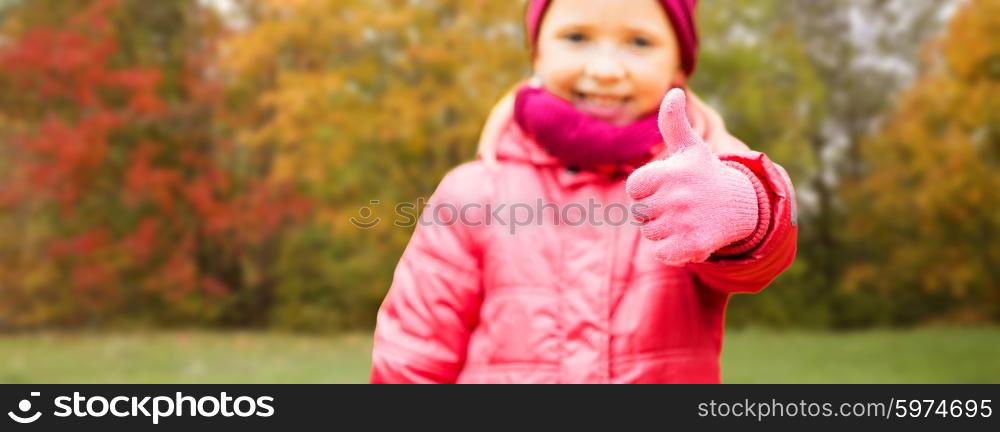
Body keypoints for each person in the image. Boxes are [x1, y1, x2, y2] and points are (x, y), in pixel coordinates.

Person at [370, 0, 798, 383]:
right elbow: (416, 348)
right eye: (577, 37)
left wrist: (743, 204)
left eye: (640, 42)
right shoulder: (476, 189)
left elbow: (764, 256)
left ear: (679, 67)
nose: (606, 69)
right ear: (538, 52)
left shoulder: (693, 180)